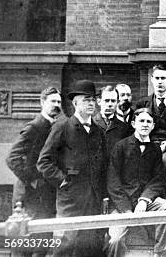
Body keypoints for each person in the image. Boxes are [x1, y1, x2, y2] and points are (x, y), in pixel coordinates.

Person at [37, 79, 108, 256]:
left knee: (92, 246)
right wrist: (62, 182)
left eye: (93, 99)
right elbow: (44, 161)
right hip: (70, 201)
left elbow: (104, 166)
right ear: (75, 103)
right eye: (86, 100)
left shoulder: (99, 131)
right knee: (65, 246)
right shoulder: (62, 127)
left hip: (94, 200)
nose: (91, 103)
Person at [106, 108, 166, 257]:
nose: (145, 124)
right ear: (133, 123)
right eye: (141, 121)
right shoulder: (121, 146)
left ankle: (160, 252)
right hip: (121, 204)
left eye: (148, 121)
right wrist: (126, 209)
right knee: (115, 239)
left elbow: (158, 180)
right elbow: (113, 182)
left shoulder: (155, 149)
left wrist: (144, 200)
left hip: (144, 201)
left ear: (153, 126)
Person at [6, 87, 61, 256]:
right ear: (42, 102)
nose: (56, 105)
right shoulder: (34, 127)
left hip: (45, 195)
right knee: (24, 243)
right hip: (29, 195)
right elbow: (12, 158)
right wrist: (32, 180)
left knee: (42, 243)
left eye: (59, 102)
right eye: (52, 101)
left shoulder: (54, 127)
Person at [94, 85, 133, 156]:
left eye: (113, 101)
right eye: (106, 100)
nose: (110, 104)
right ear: (99, 101)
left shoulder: (124, 128)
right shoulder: (90, 124)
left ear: (117, 102)